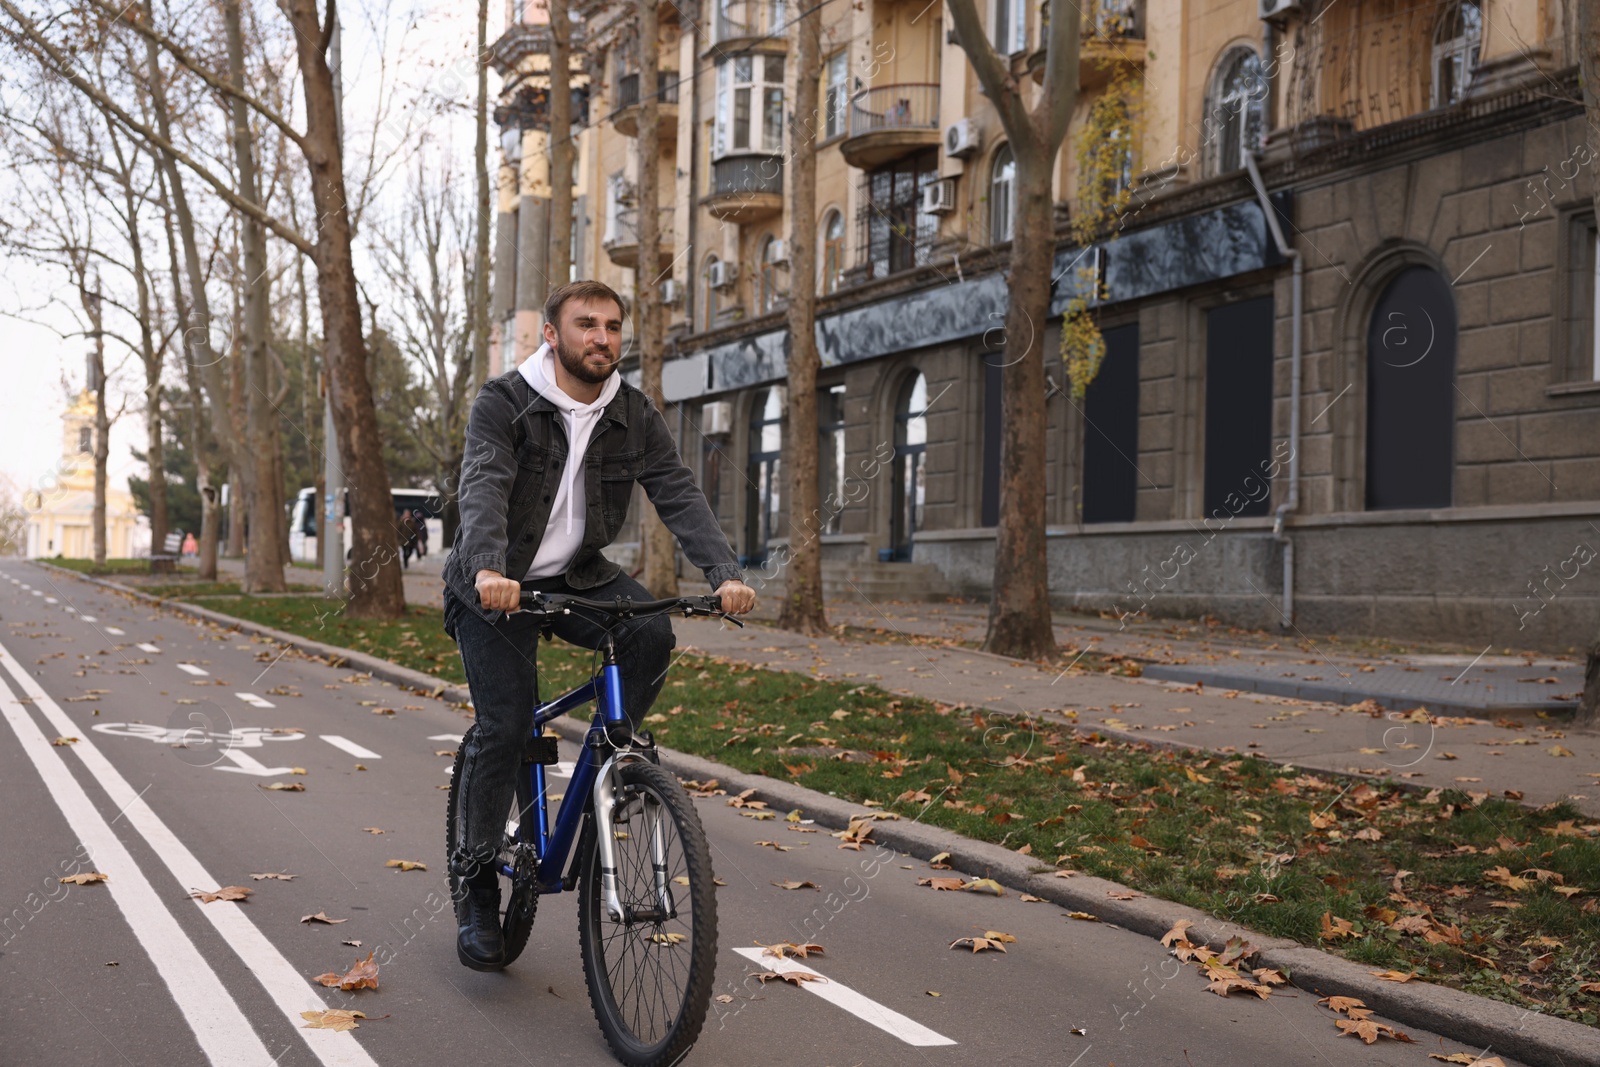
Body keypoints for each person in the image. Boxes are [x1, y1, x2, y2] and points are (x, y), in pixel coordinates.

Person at [440, 279, 757, 971]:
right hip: (495, 582)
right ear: (552, 335)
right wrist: (491, 568)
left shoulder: (632, 412)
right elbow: (485, 483)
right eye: (586, 324)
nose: (602, 337)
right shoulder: (505, 402)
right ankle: (475, 885)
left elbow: (676, 488)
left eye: (613, 326)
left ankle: (611, 759)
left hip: (577, 574)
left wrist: (722, 573)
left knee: (650, 633)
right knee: (505, 724)